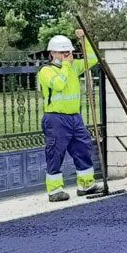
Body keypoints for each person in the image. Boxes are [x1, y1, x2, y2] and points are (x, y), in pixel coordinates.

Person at [37, 30, 100, 202]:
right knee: (55, 152)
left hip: (75, 117)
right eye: (63, 52)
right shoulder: (46, 71)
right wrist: (65, 65)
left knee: (83, 149)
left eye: (69, 52)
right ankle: (55, 190)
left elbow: (93, 59)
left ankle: (86, 184)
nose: (67, 55)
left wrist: (84, 39)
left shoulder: (73, 67)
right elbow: (58, 85)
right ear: (52, 53)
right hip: (55, 118)